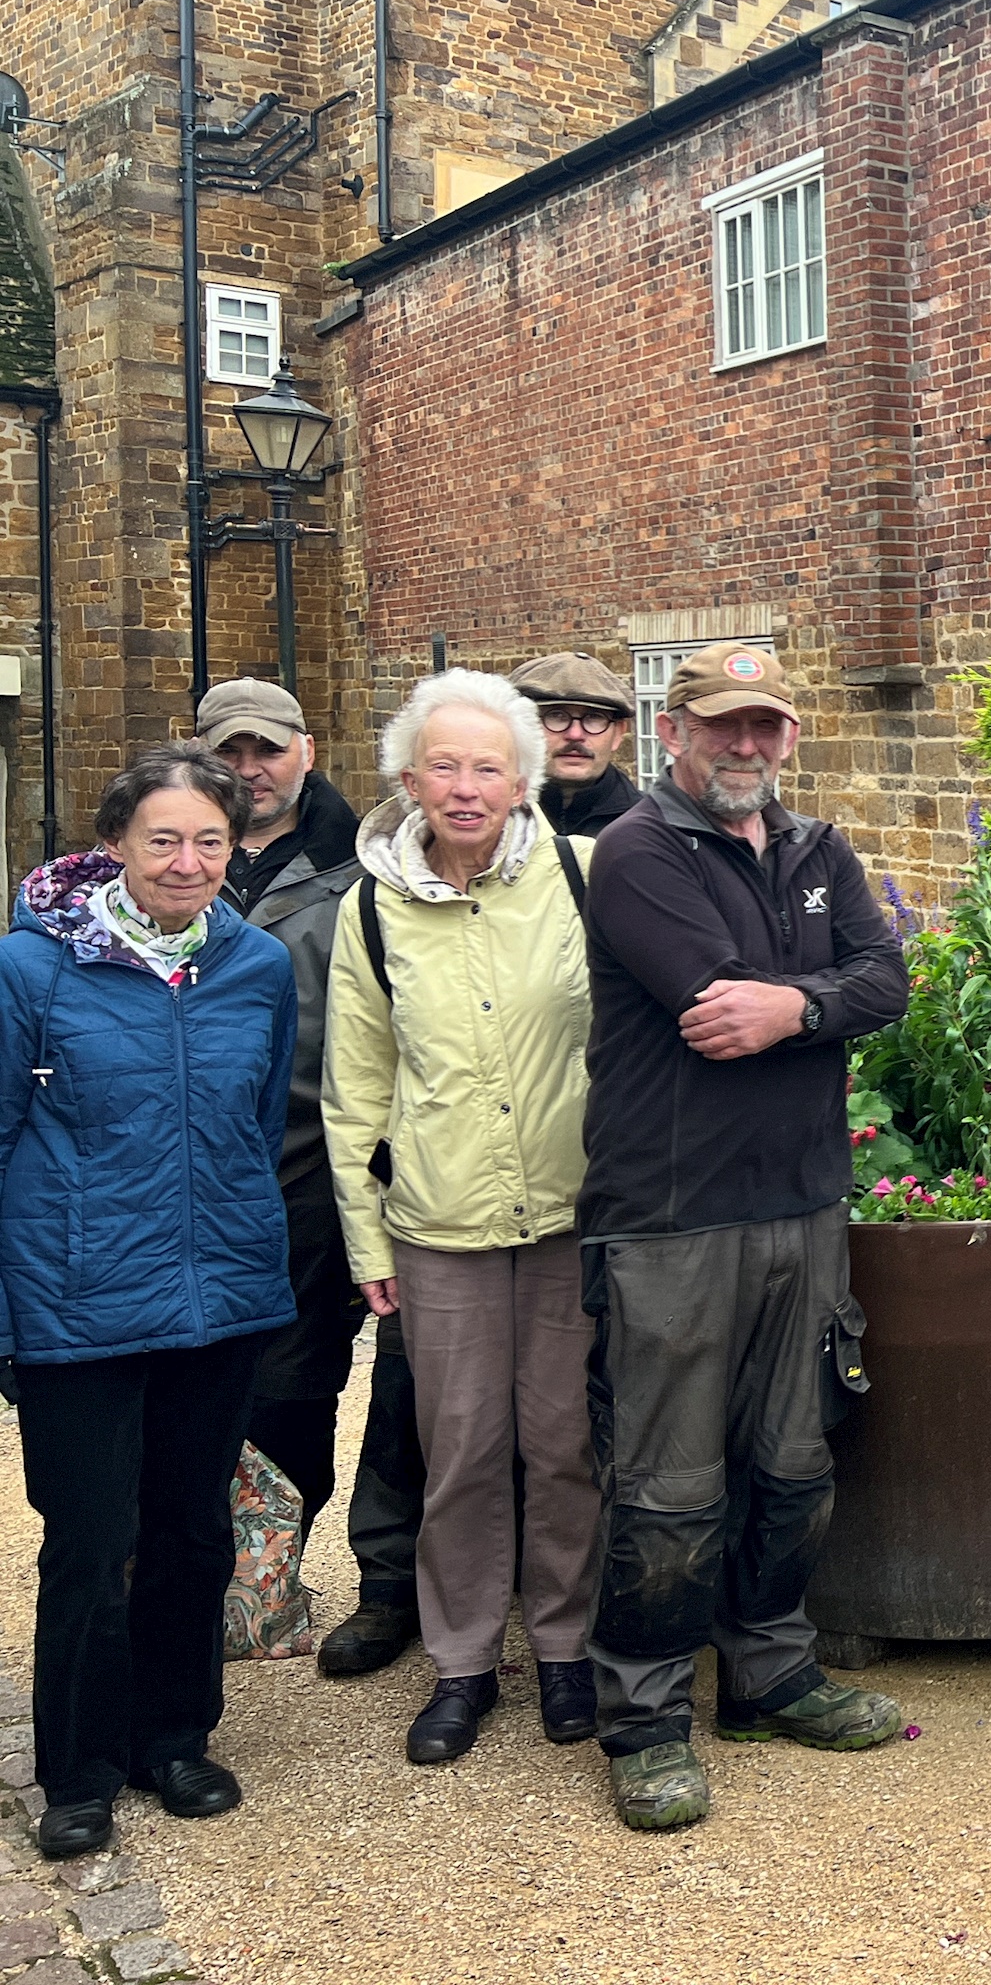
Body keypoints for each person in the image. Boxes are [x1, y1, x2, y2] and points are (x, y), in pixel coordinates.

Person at [575, 641, 910, 1832]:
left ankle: (770, 1677)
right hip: (672, 1213)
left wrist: (798, 1004)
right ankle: (648, 1715)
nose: (748, 748)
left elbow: (890, 981)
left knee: (794, 1457)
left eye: (766, 727)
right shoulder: (638, 853)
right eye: (725, 727)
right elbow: (712, 1007)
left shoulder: (822, 849)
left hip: (805, 1201)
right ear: (675, 734)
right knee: (666, 1479)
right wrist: (812, 998)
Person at [0, 747, 296, 1859]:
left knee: (189, 1531)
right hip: (76, 1301)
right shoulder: (31, 972)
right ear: (115, 845)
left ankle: (175, 1736)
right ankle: (75, 1768)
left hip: (216, 1299)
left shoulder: (256, 966)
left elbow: (255, 1129)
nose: (187, 861)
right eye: (163, 839)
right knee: (89, 1540)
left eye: (209, 840)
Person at [322, 671, 603, 1765]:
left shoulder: (583, 877)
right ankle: (464, 1663)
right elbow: (355, 1088)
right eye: (445, 765)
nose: (466, 786)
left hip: (572, 1213)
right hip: (440, 1222)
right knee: (461, 1451)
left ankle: (569, 1651)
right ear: (408, 779)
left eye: (489, 766)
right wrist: (365, 1238)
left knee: (566, 1444)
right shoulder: (370, 907)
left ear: (525, 781)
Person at [196, 680, 373, 1579]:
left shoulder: (364, 868)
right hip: (184, 1172)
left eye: (266, 749)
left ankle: (269, 1577)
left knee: (298, 1384)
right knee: (185, 1375)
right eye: (229, 751)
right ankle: (184, 1571)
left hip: (306, 1166)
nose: (249, 769)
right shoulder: (167, 858)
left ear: (306, 750)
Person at [514, 653, 644, 837]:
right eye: (556, 716)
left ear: (618, 733)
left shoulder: (652, 828)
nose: (575, 735)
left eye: (594, 718)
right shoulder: (491, 818)